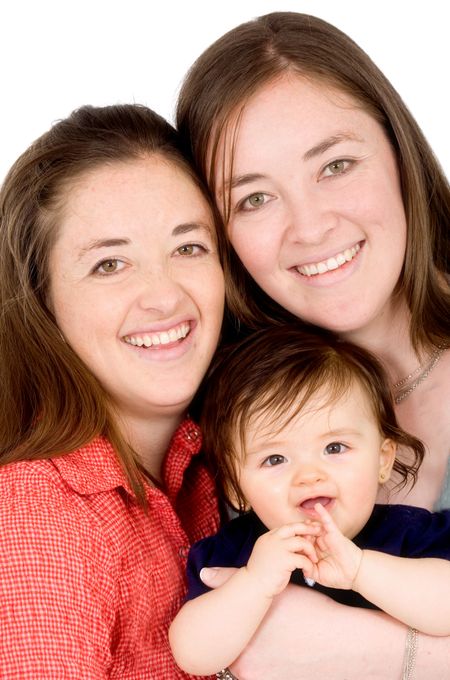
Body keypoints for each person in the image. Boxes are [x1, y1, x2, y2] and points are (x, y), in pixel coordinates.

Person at [176, 11, 450, 679]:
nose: (310, 226)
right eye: (254, 199)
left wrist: (395, 657)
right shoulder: (207, 410)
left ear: (398, 153)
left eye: (336, 164)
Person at [0, 103, 226, 678]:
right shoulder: (35, 515)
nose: (163, 296)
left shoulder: (216, 469)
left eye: (188, 247)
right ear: (41, 299)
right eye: (109, 264)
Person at [169, 326, 450, 675]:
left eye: (334, 448)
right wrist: (255, 583)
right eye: (275, 459)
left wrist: (361, 571)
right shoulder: (235, 554)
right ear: (235, 489)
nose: (309, 475)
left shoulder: (412, 534)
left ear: (382, 459)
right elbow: (193, 655)